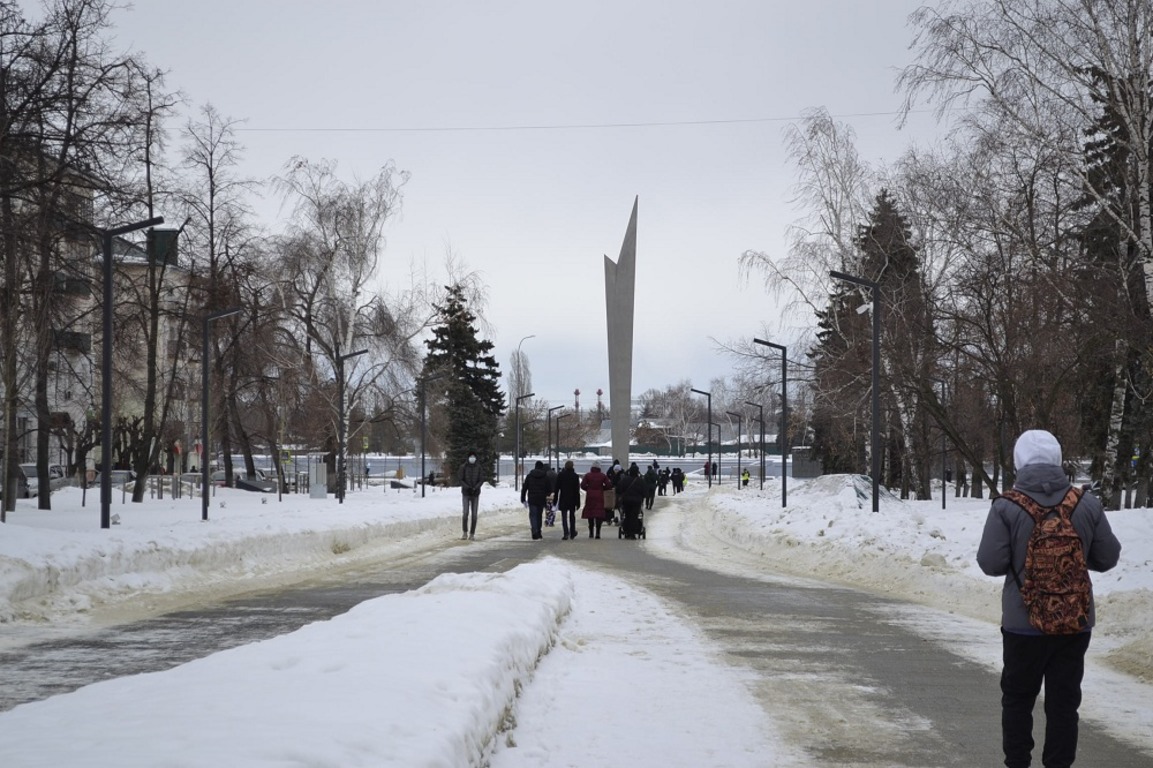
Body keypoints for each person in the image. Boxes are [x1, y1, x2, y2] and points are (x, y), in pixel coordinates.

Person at [977, 429, 1121, 768]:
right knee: (1064, 704)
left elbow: (990, 562)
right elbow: (1108, 557)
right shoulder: (1085, 503)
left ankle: (1017, 764)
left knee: (1017, 700)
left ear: (1018, 461)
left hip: (1022, 625)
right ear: (1057, 460)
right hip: (1074, 623)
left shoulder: (1006, 507)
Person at [580, 462, 613, 539]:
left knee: (590, 514)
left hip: (590, 496)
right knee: (599, 514)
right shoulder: (603, 476)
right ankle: (598, 532)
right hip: (599, 497)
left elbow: (582, 485)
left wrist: (588, 489)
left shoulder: (588, 475)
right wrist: (602, 489)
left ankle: (591, 532)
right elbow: (609, 485)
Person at [520, 460, 551, 540]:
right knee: (539, 515)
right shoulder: (545, 476)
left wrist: (523, 498)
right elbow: (549, 488)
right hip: (541, 499)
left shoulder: (529, 476)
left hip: (532, 498)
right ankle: (539, 531)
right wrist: (546, 494)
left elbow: (524, 488)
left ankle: (534, 530)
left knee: (533, 515)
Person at [617, 463, 647, 539]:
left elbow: (618, 490)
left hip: (626, 501)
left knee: (627, 515)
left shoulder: (624, 480)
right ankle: (633, 532)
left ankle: (627, 531)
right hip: (637, 501)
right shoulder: (641, 481)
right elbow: (645, 492)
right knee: (634, 516)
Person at [458, 452, 484, 540]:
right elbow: (461, 479)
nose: (472, 458)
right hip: (466, 493)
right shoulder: (463, 467)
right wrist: (467, 487)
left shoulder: (479, 467)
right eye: (470, 457)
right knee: (465, 513)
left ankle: (472, 533)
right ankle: (465, 532)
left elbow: (481, 479)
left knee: (474, 514)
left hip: (475, 493)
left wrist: (475, 488)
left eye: (474, 457)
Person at [554, 460, 582, 540]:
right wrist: (578, 502)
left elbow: (557, 489)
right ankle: (572, 532)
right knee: (572, 516)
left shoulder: (561, 475)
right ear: (573, 466)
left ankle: (566, 533)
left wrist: (555, 500)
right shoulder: (575, 476)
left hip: (563, 498)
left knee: (564, 516)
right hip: (573, 499)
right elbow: (577, 490)